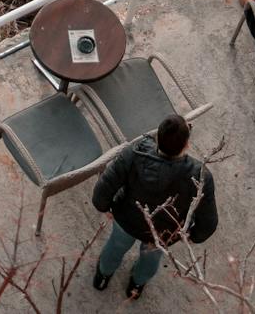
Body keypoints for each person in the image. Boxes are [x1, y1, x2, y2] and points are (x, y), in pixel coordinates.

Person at [89, 113, 217, 299]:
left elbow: (105, 185)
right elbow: (209, 219)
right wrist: (194, 235)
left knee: (115, 247)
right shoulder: (200, 176)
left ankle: (103, 276)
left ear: (158, 138)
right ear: (187, 144)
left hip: (126, 219)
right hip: (162, 233)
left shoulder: (134, 152)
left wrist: (105, 206)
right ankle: (136, 285)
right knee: (150, 259)